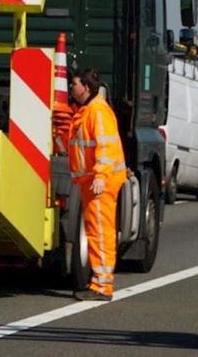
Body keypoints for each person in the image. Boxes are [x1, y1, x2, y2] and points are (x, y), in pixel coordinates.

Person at [57, 68, 127, 302]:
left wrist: (100, 175)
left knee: (100, 232)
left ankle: (102, 285)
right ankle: (99, 282)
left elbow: (106, 147)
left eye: (74, 84)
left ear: (86, 87)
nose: (71, 88)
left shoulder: (97, 111)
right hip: (92, 180)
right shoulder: (88, 111)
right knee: (97, 231)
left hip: (100, 182)